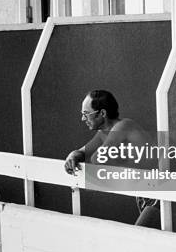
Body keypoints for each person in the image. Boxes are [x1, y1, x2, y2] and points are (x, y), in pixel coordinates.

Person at [64, 89, 160, 228]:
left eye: (86, 114)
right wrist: (73, 155)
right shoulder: (103, 133)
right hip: (145, 195)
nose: (83, 119)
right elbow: (83, 152)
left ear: (102, 113)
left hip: (160, 192)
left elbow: (98, 158)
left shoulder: (124, 126)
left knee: (138, 239)